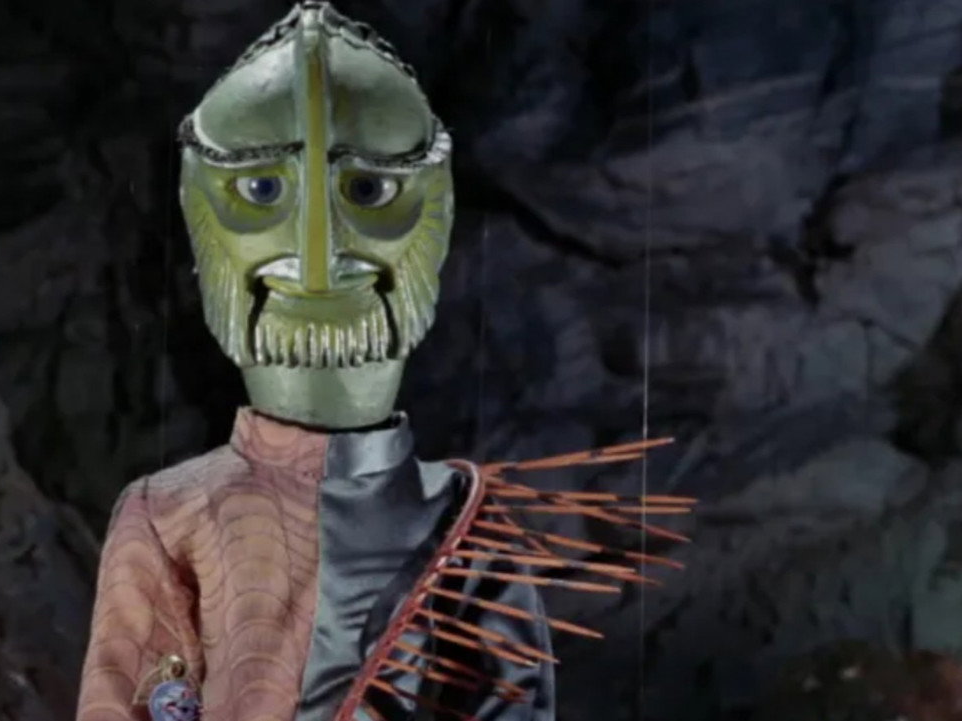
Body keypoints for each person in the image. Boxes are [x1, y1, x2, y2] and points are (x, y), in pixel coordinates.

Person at [76, 4, 688, 720]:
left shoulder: (465, 522)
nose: (316, 258)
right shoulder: (165, 512)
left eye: (369, 190)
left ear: (439, 207)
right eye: (261, 190)